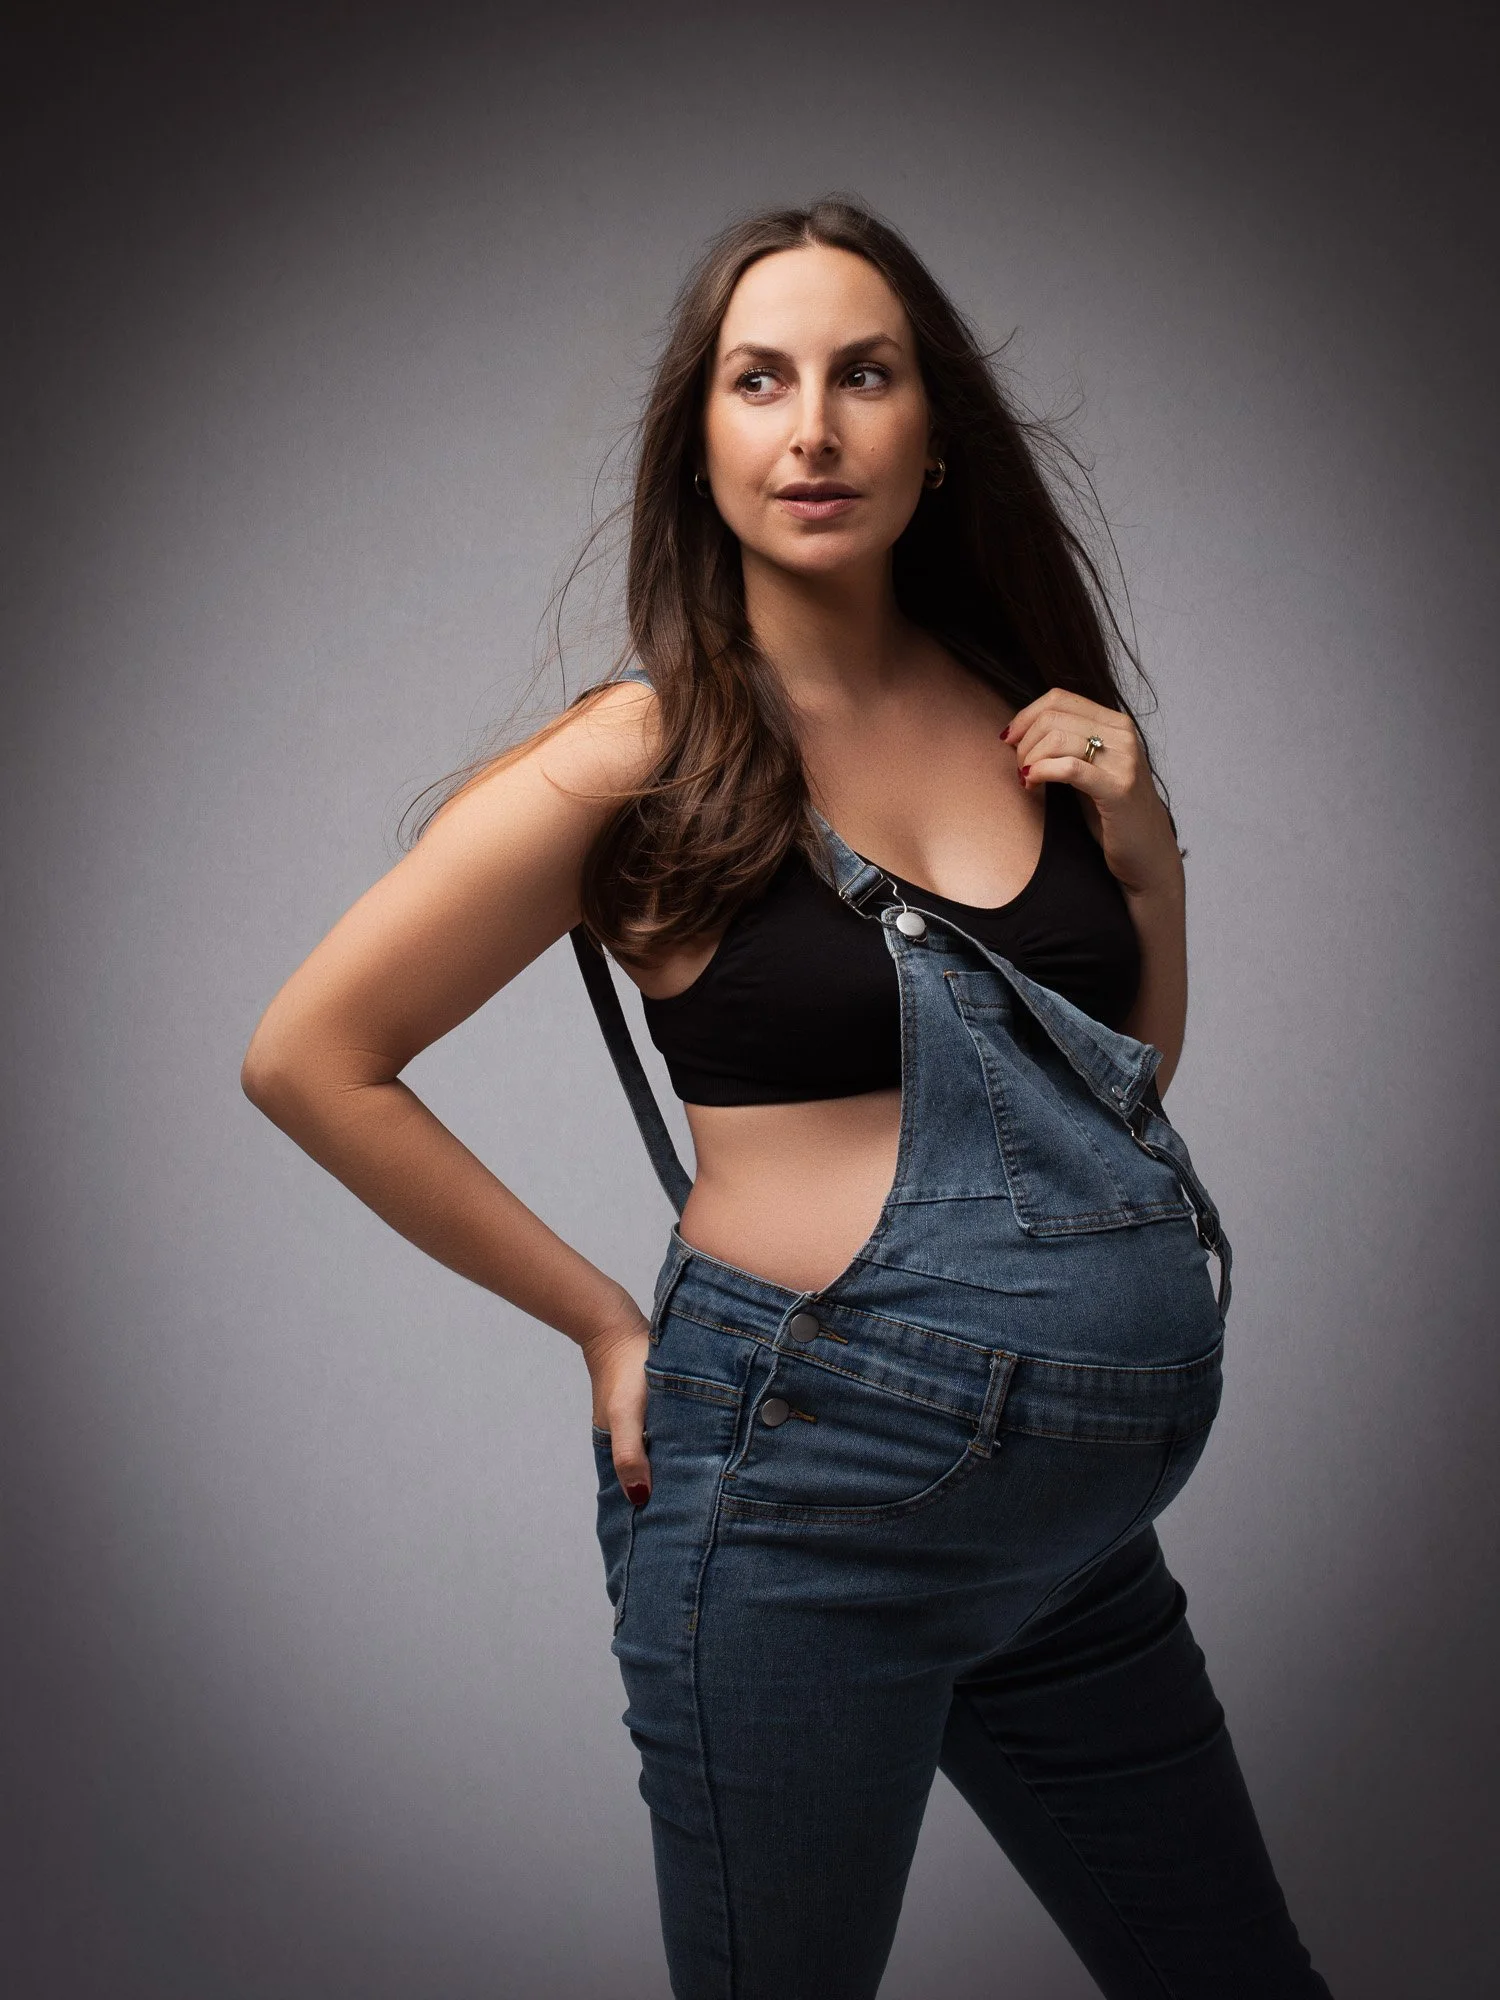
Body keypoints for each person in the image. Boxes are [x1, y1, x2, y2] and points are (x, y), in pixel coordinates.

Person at [242, 197, 1333, 1998]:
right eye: (760, 381)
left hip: (1063, 1545)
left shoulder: (1018, 713)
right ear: (702, 443)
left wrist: (1147, 856)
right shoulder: (646, 750)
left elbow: (1102, 1115)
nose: (812, 428)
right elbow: (310, 1055)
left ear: (933, 431)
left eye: (862, 376)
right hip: (807, 1505)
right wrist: (603, 1325)